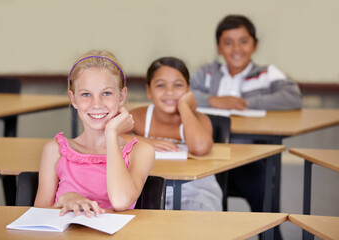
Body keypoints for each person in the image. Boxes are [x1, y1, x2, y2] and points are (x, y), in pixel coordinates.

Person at [191, 15, 301, 239]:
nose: (236, 49)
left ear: (255, 45)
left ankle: (270, 234)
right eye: (228, 42)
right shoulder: (207, 73)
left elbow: (292, 96)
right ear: (219, 47)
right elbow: (186, 94)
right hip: (208, 156)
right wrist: (214, 100)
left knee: (261, 191)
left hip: (248, 159)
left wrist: (245, 102)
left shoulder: (266, 74)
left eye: (243, 41)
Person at [34, 50, 155, 217]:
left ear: (121, 97)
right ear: (74, 99)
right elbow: (38, 217)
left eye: (106, 93)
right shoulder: (54, 150)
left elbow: (120, 201)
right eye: (86, 94)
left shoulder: (140, 152)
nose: (96, 104)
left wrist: (111, 133)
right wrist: (67, 198)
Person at [123, 57, 223, 211]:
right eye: (160, 85)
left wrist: (184, 106)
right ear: (149, 91)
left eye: (178, 85)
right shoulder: (141, 116)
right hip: (150, 192)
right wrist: (146, 141)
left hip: (195, 193)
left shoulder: (198, 119)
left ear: (188, 89)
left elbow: (200, 147)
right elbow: (108, 136)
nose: (169, 92)